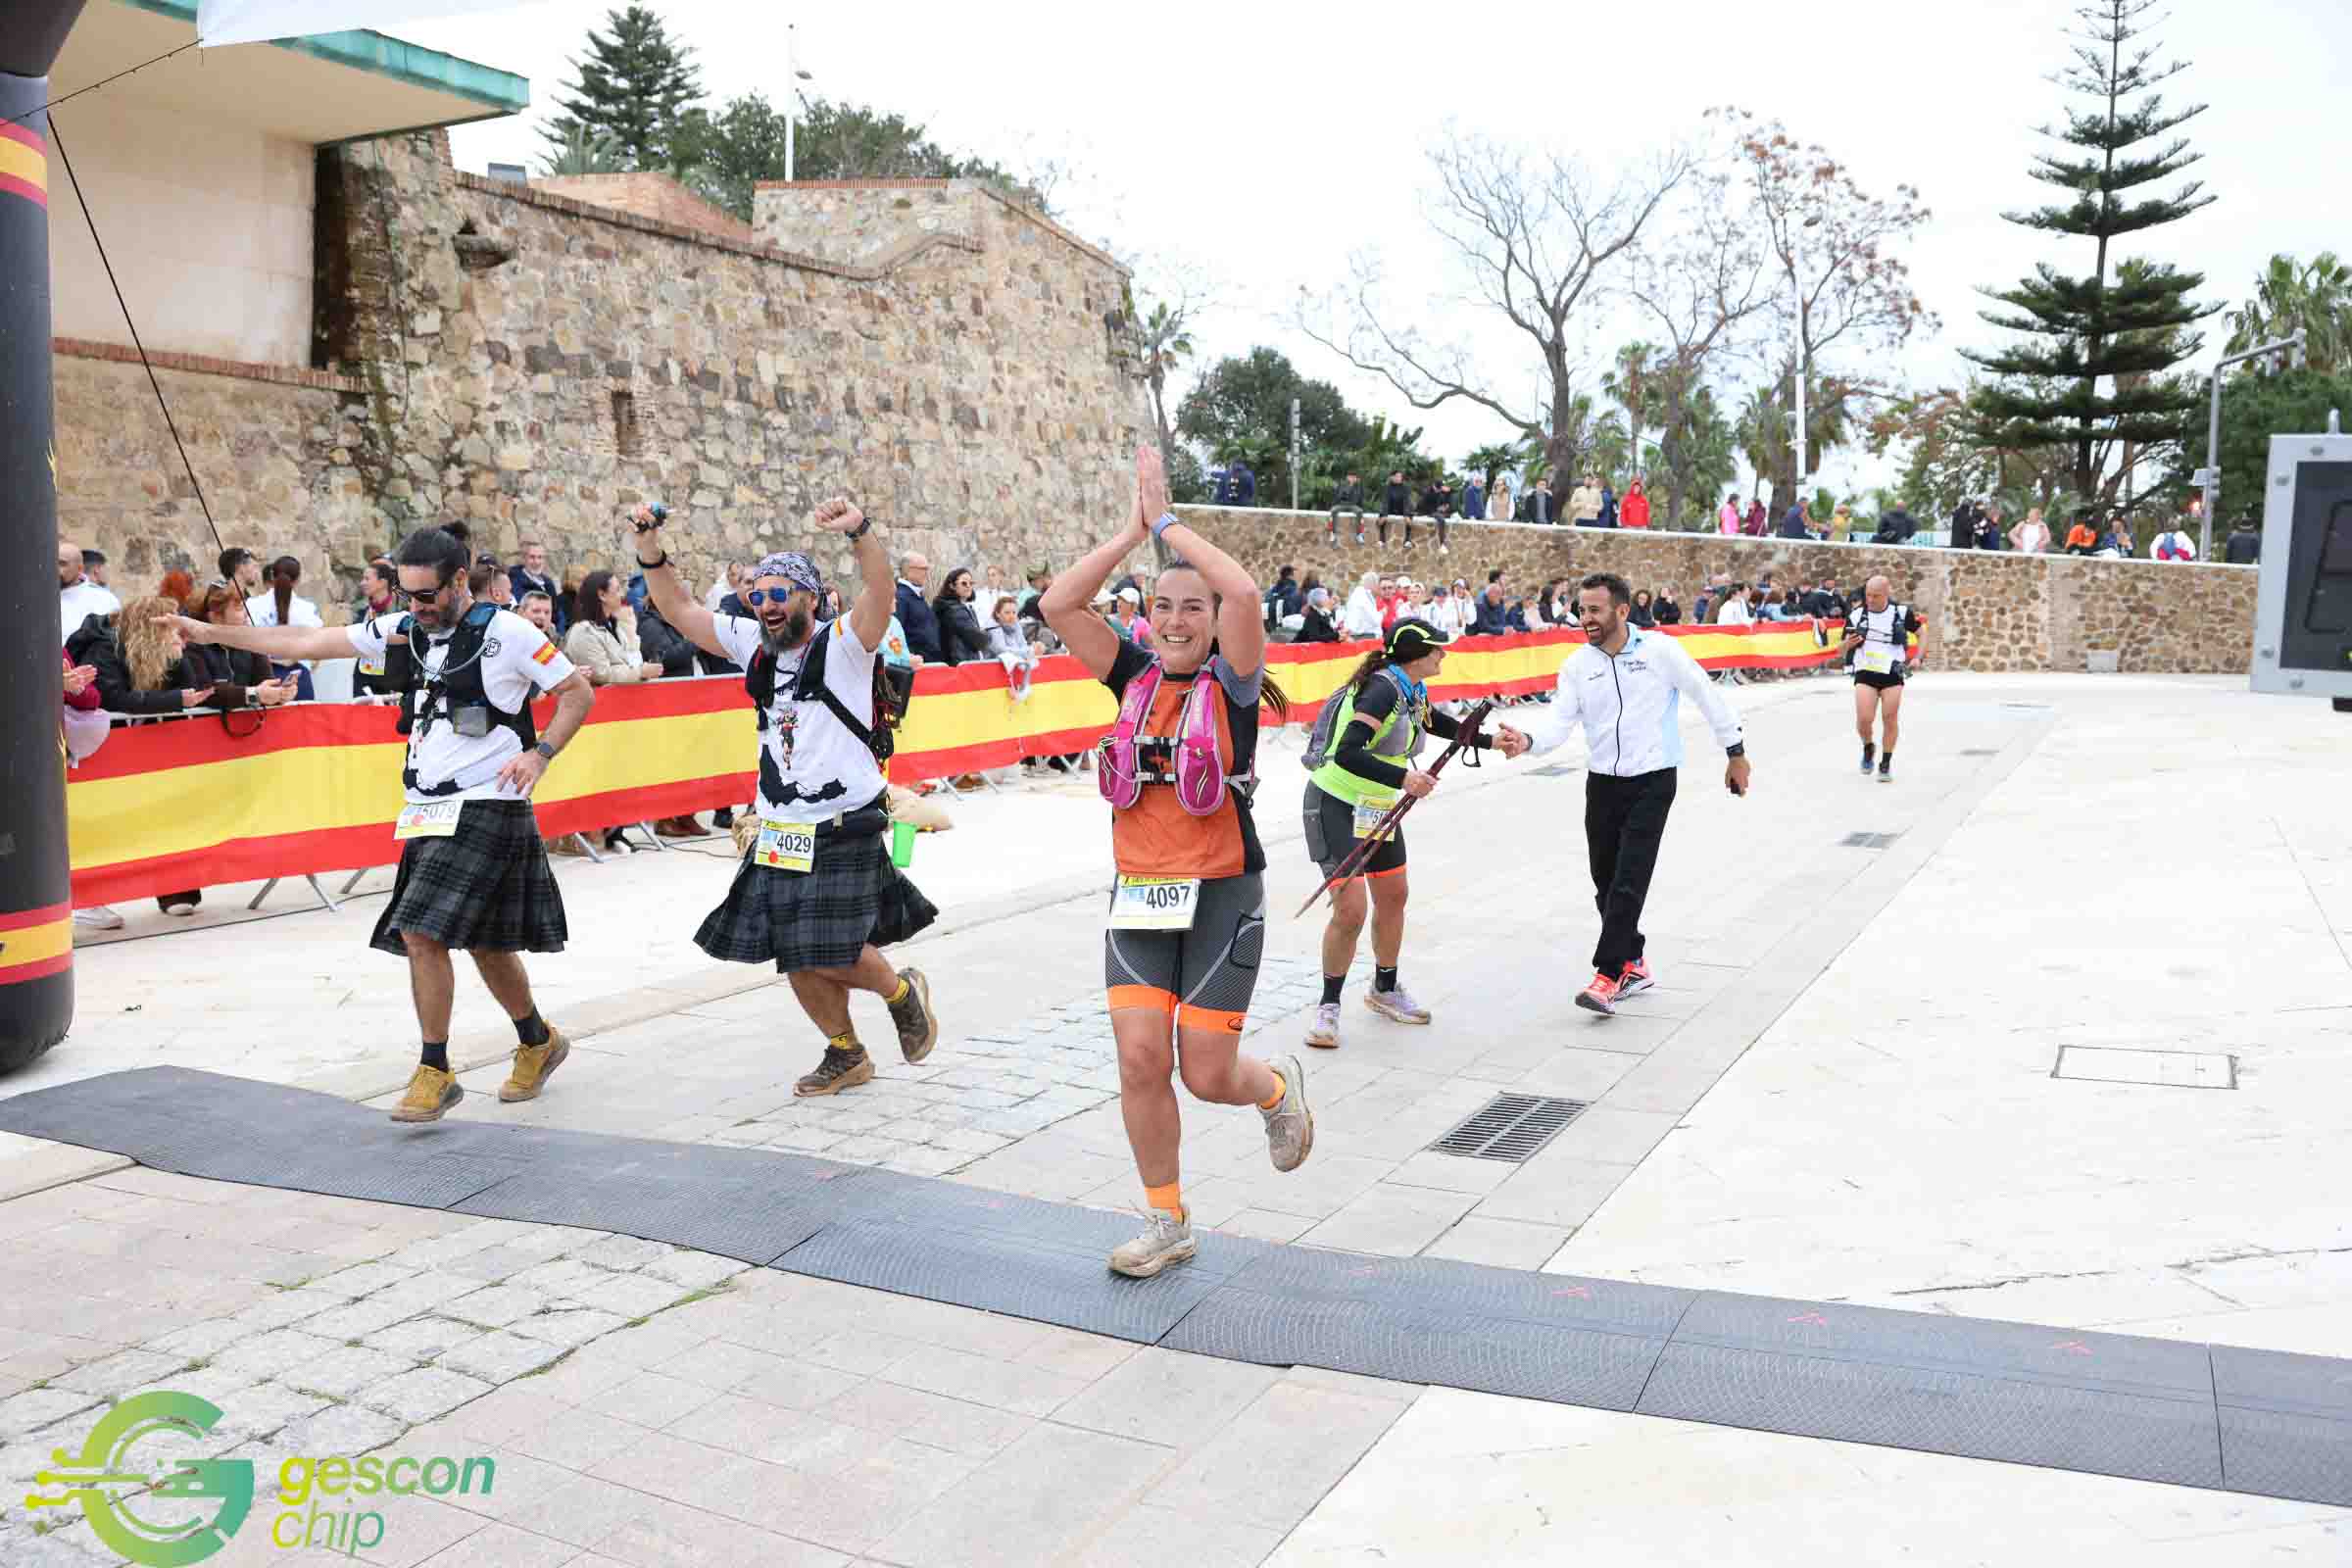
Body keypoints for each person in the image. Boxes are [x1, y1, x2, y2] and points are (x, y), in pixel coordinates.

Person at [168, 527, 595, 1120]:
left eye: (427, 595)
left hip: (488, 801)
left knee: (420, 930)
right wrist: (210, 632)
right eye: (408, 595)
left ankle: (434, 1070)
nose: (417, 607)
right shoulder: (403, 628)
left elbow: (576, 693)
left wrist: (540, 754)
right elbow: (307, 640)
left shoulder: (511, 633)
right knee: (485, 941)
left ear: (459, 580)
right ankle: (538, 1040)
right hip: (426, 807)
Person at [1040, 445, 1310, 1280]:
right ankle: (1166, 1220)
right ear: (1146, 617)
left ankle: (1274, 1089)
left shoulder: (1234, 683)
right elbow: (1058, 603)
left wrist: (1169, 524)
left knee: (1206, 1074)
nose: (1178, 620)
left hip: (1223, 891)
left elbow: (1245, 594)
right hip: (1141, 896)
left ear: (1215, 621)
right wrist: (1131, 535)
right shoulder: (1130, 675)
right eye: (1163, 607)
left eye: (1194, 607)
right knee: (1140, 1060)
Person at [632, 502, 941, 1097]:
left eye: (780, 594)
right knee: (790, 948)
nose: (766, 605)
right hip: (779, 826)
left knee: (832, 948)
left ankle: (901, 993)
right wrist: (650, 547)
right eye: (758, 595)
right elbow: (677, 608)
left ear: (810, 598)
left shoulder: (846, 642)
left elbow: (880, 591)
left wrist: (859, 531)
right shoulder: (752, 642)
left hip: (843, 820)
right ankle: (845, 1052)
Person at [1495, 573, 1748, 1016]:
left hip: (1653, 779)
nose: (1585, 618)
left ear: (1622, 611)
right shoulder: (1578, 665)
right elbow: (1559, 722)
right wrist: (1529, 741)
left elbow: (1706, 694)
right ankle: (1634, 962)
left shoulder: (1659, 651)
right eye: (1582, 610)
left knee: (1629, 880)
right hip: (1602, 783)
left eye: (1595, 610)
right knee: (1606, 882)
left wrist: (1735, 751)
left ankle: (1607, 974)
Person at [1298, 617, 1494, 1050]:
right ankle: (1328, 1006)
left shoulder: (1410, 688)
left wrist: (1492, 742)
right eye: (1437, 649)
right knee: (1350, 910)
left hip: (1375, 808)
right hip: (1335, 804)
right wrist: (1405, 779)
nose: (1443, 654)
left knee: (1393, 896)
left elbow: (1437, 723)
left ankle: (1384, 989)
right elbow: (1347, 752)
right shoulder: (1382, 690)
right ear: (1416, 655)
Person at [1842, 574, 1927, 782]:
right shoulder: (1857, 615)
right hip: (1866, 672)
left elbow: (1922, 633)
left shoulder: (1901, 612)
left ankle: (1885, 762)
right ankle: (1868, 746)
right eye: (1868, 595)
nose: (1870, 600)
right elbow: (1840, 648)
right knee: (1864, 719)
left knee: (1889, 718)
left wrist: (1918, 657)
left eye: (1876, 596)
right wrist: (1847, 645)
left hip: (1893, 672)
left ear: (1887, 593)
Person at [246, 556, 323, 701]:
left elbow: (246, 642)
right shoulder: (307, 609)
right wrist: (293, 658)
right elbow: (317, 647)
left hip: (264, 679)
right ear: (298, 579)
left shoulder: (252, 605)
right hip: (298, 677)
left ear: (272, 576)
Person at [58, 537, 121, 638]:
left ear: (80, 568)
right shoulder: (39, 599)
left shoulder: (106, 601)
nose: (56, 569)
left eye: (62, 564)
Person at [931, 566, 991, 666]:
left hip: (957, 663)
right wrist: (988, 635)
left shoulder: (953, 606)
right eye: (964, 583)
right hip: (960, 664)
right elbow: (978, 640)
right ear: (952, 586)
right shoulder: (954, 610)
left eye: (971, 583)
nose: (968, 586)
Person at [893, 554, 942, 663]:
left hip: (929, 662)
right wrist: (909, 658)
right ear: (908, 570)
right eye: (924, 569)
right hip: (916, 665)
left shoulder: (916, 595)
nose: (927, 573)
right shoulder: (901, 597)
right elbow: (894, 633)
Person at [509, 540, 561, 629]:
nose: (536, 562)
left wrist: (557, 631)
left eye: (540, 557)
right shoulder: (514, 581)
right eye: (532, 557)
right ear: (524, 559)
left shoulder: (548, 583)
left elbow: (557, 613)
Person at [1108, 585, 1155, 649]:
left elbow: (1151, 646)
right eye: (1119, 599)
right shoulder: (1109, 619)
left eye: (1124, 601)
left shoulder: (1141, 623)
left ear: (1134, 606)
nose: (1119, 603)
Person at [1342, 571, 1383, 640]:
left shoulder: (1358, 594)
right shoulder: (1364, 596)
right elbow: (1375, 620)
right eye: (1377, 584)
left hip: (1357, 635)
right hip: (1364, 636)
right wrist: (1382, 613)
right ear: (1373, 584)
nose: (1378, 587)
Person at [1330, 472, 1367, 544]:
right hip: (1342, 504)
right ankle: (1333, 533)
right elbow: (1338, 496)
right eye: (1350, 477)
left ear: (1356, 478)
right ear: (1347, 478)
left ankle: (1359, 534)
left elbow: (1360, 498)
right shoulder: (1342, 485)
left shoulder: (1359, 486)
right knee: (1333, 510)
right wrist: (1348, 487)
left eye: (1354, 477)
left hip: (1352, 505)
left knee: (1360, 511)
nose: (1352, 479)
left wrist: (1361, 507)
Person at [1378, 471, 1410, 548]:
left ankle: (1407, 540)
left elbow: (1406, 501)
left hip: (1401, 509)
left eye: (1400, 476)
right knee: (1381, 515)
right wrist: (1385, 514)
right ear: (1392, 477)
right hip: (1390, 508)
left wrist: (1406, 514)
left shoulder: (1405, 488)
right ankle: (1381, 540)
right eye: (1397, 476)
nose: (1399, 478)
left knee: (1409, 516)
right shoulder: (1387, 487)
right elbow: (1385, 501)